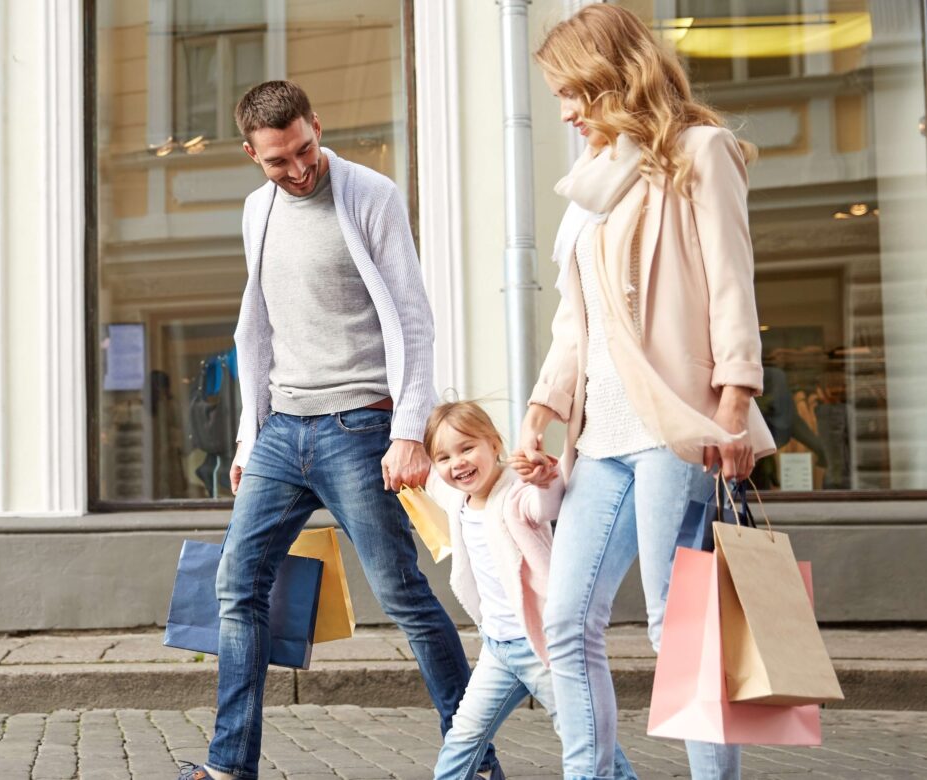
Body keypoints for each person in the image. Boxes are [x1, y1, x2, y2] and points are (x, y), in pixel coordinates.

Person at [175, 80, 502, 780]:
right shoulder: (256, 210)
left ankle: (472, 759)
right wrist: (247, 435)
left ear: (316, 127)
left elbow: (413, 317)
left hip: (359, 426)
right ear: (250, 154)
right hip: (282, 429)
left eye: (305, 151)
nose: (297, 171)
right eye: (277, 162)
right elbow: (256, 327)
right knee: (237, 586)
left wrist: (409, 429)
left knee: (403, 595)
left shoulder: (369, 193)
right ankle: (229, 767)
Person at [517, 6, 776, 779]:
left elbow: (733, 289)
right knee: (564, 620)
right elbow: (578, 317)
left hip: (677, 428)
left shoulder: (702, 152)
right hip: (599, 440)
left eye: (573, 91)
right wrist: (541, 409)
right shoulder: (592, 187)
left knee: (680, 624)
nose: (564, 110)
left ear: (612, 79)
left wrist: (731, 410)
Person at [424, 401, 636, 780]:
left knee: (583, 735)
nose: (457, 463)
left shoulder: (515, 492)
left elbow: (546, 503)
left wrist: (543, 477)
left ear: (494, 443)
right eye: (444, 457)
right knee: (463, 736)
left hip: (540, 646)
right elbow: (423, 475)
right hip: (498, 648)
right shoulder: (457, 498)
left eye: (467, 448)